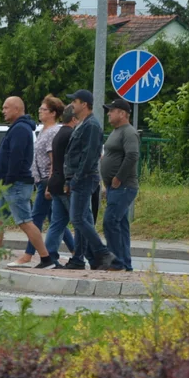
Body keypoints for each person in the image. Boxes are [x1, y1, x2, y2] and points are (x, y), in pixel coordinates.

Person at [0, 96, 55, 269]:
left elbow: (16, 156)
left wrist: (10, 179)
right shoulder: (16, 128)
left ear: (17, 109)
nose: (3, 111)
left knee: (24, 221)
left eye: (6, 108)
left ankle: (46, 258)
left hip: (15, 183)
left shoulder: (20, 129)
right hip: (7, 182)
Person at [10, 95, 70, 267]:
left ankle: (29, 255)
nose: (40, 112)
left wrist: (50, 183)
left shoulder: (53, 132)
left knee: (35, 218)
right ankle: (75, 251)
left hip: (46, 180)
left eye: (43, 109)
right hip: (40, 180)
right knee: (56, 221)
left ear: (53, 113)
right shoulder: (42, 130)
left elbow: (54, 159)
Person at [63, 89, 116, 271]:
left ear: (84, 104)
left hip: (85, 178)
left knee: (77, 218)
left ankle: (103, 253)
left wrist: (77, 178)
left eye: (75, 101)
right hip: (78, 177)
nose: (72, 105)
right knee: (82, 219)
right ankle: (82, 259)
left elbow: (90, 155)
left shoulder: (91, 125)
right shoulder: (83, 124)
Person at [101, 97, 140, 271]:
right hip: (113, 187)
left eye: (112, 110)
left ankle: (116, 262)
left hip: (123, 186)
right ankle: (125, 263)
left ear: (122, 114)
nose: (108, 113)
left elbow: (132, 155)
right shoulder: (116, 131)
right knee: (121, 225)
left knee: (110, 221)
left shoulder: (129, 132)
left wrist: (118, 177)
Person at [44, 105, 81, 268]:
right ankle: (83, 255)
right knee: (79, 220)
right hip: (65, 184)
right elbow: (71, 161)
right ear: (74, 119)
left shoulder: (58, 134)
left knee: (57, 222)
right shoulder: (71, 135)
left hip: (55, 183)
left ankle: (50, 254)